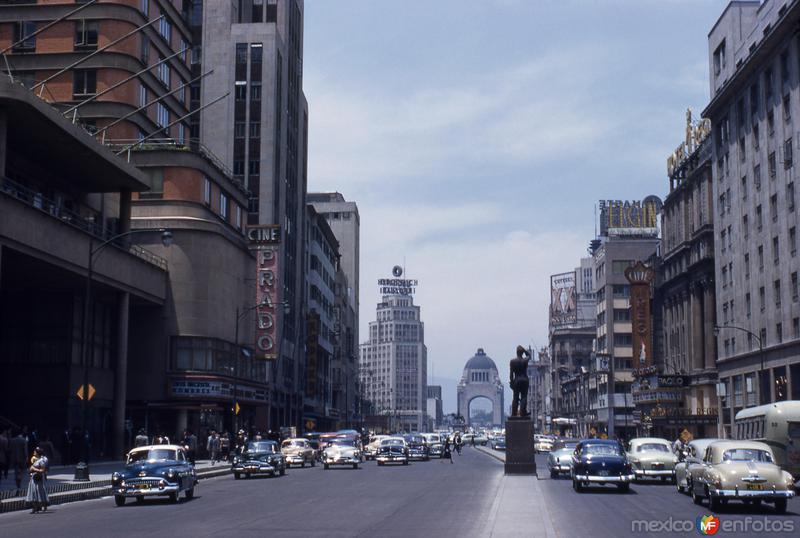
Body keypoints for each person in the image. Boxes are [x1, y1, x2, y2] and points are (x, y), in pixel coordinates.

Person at [26, 447, 49, 514]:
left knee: (39, 492)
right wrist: (31, 470)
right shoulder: (34, 460)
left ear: (38, 453)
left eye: (35, 451)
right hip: (33, 478)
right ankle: (34, 508)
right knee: (33, 493)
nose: (34, 452)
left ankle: (42, 506)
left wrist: (34, 469)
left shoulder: (41, 461)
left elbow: (42, 470)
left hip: (38, 479)